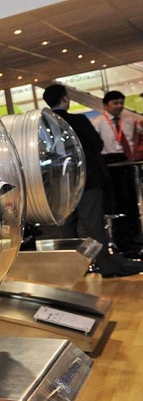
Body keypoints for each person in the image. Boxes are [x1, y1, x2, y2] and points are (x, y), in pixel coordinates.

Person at [43, 85, 139, 277]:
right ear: (65, 99)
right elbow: (96, 144)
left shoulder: (44, 126)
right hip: (85, 180)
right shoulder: (78, 120)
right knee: (94, 226)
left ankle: (76, 268)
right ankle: (108, 266)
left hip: (60, 184)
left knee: (67, 227)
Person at [91, 90, 143, 248]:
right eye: (115, 103)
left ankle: (135, 234)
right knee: (116, 202)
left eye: (121, 103)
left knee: (132, 201)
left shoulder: (129, 121)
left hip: (127, 164)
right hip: (110, 166)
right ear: (105, 105)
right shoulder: (97, 122)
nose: (119, 106)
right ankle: (120, 237)